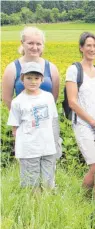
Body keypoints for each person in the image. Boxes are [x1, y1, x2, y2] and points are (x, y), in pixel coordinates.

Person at [2, 26, 61, 161]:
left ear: (43, 45)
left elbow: (54, 96)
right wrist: (24, 115)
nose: (35, 47)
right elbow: (6, 98)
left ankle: (48, 183)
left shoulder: (51, 68)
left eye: (38, 43)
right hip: (25, 122)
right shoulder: (12, 68)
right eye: (30, 43)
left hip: (47, 122)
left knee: (49, 158)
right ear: (22, 43)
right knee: (29, 160)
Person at [65, 32, 95, 199]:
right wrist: (92, 121)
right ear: (81, 48)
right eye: (88, 45)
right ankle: (81, 198)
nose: (92, 49)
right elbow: (72, 102)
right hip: (83, 124)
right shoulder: (74, 70)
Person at [7, 62, 58, 192]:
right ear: (22, 79)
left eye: (36, 78)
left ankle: (46, 209)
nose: (33, 81)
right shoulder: (17, 102)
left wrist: (57, 143)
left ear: (42, 80)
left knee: (48, 184)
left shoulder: (48, 97)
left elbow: (53, 120)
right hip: (29, 149)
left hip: (48, 147)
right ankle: (34, 210)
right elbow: (15, 128)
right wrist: (18, 147)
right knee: (32, 184)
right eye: (29, 78)